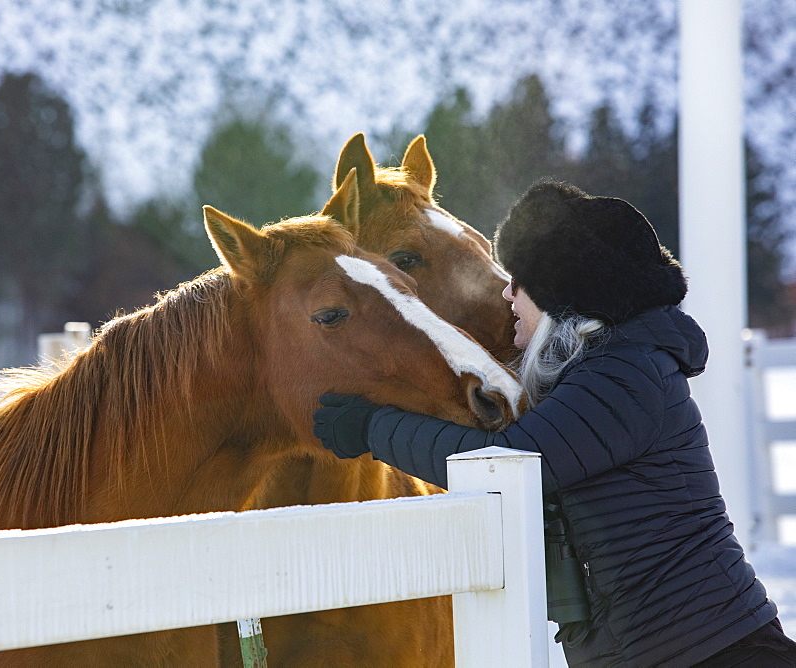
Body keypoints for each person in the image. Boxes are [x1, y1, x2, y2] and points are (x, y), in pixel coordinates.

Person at [313, 180, 796, 667]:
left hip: (717, 651)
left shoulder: (625, 375)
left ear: (559, 294)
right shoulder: (604, 369)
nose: (506, 293)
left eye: (519, 282)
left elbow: (513, 462)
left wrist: (374, 429)